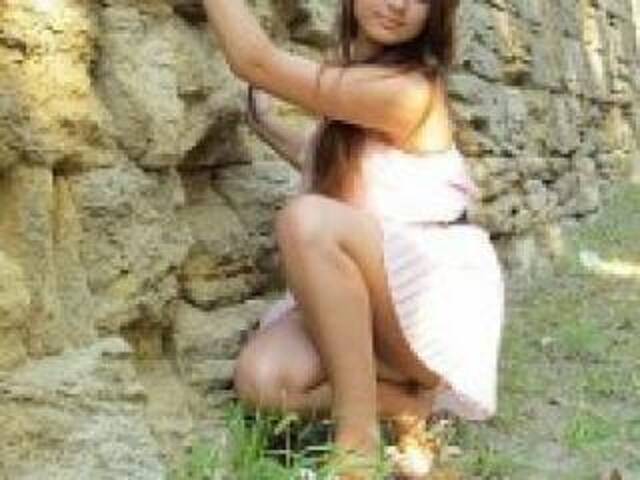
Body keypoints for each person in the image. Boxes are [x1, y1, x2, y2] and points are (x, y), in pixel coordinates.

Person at [202, 0, 505, 478]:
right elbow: (350, 168)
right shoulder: (356, 75)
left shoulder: (410, 91)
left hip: (430, 309)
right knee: (263, 381)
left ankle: (356, 441)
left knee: (308, 221)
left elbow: (254, 61)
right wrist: (268, 127)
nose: (398, 4)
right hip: (368, 300)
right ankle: (407, 404)